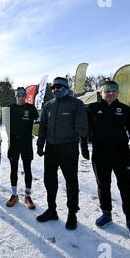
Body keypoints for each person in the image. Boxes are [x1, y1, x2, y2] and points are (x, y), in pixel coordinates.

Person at [84, 80, 130, 241]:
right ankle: (106, 213)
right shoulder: (92, 108)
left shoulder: (124, 109)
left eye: (113, 91)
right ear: (101, 92)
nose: (110, 93)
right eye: (107, 91)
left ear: (117, 93)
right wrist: (83, 146)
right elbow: (83, 129)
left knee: (127, 187)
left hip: (122, 154)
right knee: (103, 185)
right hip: (100, 154)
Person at [36, 77, 88, 230]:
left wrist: (83, 143)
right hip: (51, 148)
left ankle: (72, 213)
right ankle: (52, 210)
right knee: (49, 180)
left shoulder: (76, 104)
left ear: (66, 88)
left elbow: (82, 126)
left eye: (59, 87)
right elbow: (43, 126)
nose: (56, 90)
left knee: (71, 182)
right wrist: (40, 144)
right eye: (53, 87)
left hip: (68, 148)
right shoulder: (48, 105)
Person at [4, 87, 39, 209]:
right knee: (13, 169)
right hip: (13, 144)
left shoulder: (31, 108)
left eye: (22, 95)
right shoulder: (10, 107)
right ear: (15, 96)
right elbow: (5, 124)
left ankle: (28, 196)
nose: (20, 97)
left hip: (26, 144)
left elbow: (37, 121)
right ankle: (14, 195)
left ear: (25, 96)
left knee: (27, 169)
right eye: (18, 95)